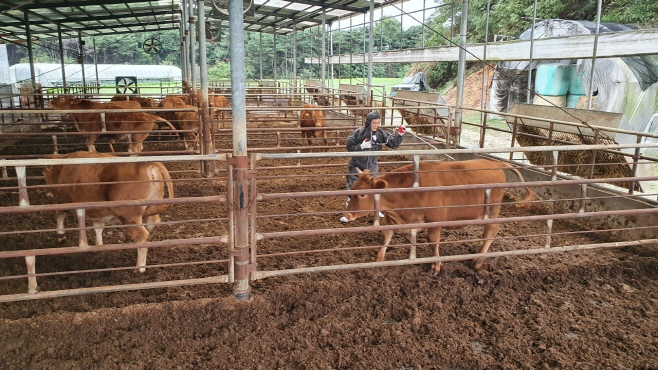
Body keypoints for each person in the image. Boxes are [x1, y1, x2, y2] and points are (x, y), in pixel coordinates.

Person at [340, 111, 405, 222]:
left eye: (378, 123)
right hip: (357, 165)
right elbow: (349, 147)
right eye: (374, 123)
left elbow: (393, 144)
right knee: (353, 188)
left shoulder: (381, 134)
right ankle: (349, 211)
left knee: (375, 188)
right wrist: (361, 146)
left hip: (372, 166)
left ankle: (376, 209)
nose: (376, 125)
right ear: (369, 122)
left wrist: (399, 134)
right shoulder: (358, 133)